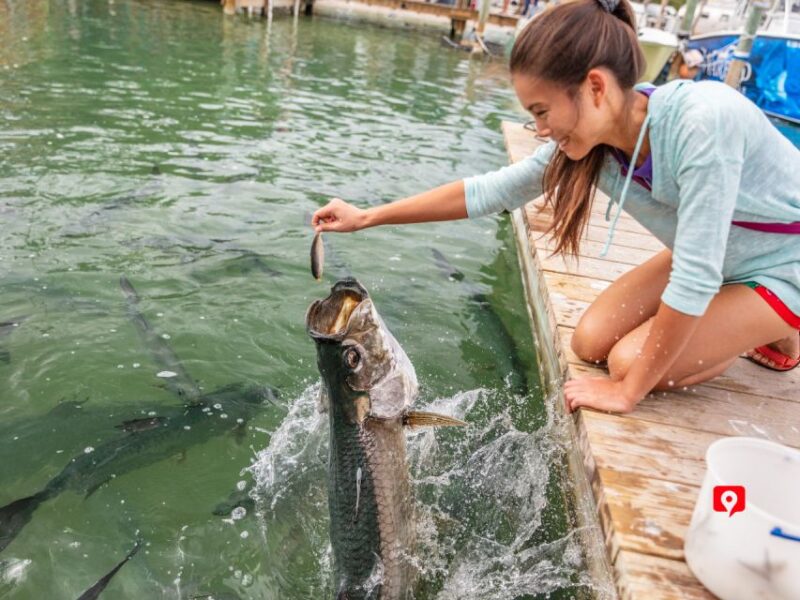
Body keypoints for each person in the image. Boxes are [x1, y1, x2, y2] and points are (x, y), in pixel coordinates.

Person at [311, 0, 800, 414]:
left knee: (631, 364)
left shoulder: (702, 122)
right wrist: (367, 216)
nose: (540, 130)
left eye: (542, 112)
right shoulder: (596, 146)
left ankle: (773, 332)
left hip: (782, 265)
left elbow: (694, 277)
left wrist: (628, 393)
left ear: (595, 87)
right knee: (589, 341)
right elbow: (489, 191)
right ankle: (740, 319)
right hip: (719, 257)